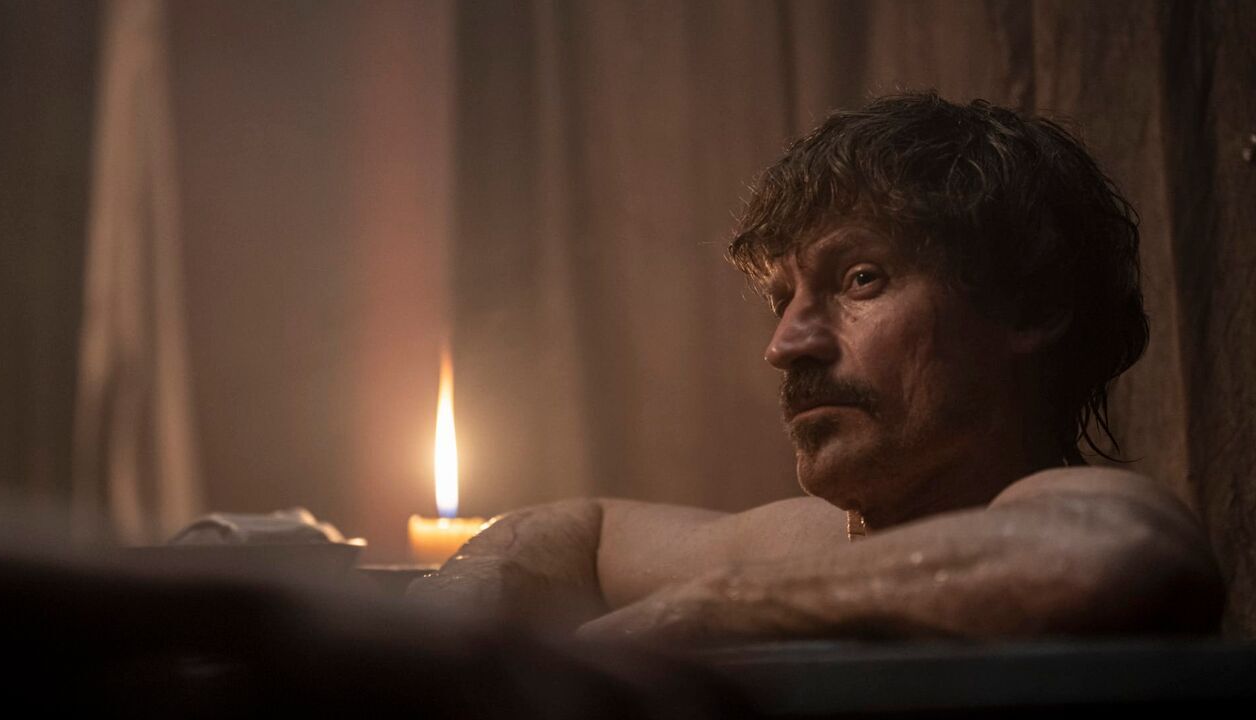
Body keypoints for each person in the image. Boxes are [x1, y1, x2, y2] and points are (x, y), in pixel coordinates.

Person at [405, 92, 1224, 643]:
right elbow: (583, 529)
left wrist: (708, 605)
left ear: (1030, 305)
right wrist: (446, 620)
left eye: (861, 279)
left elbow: (1121, 553)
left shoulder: (1067, 511)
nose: (786, 345)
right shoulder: (814, 540)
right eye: (781, 300)